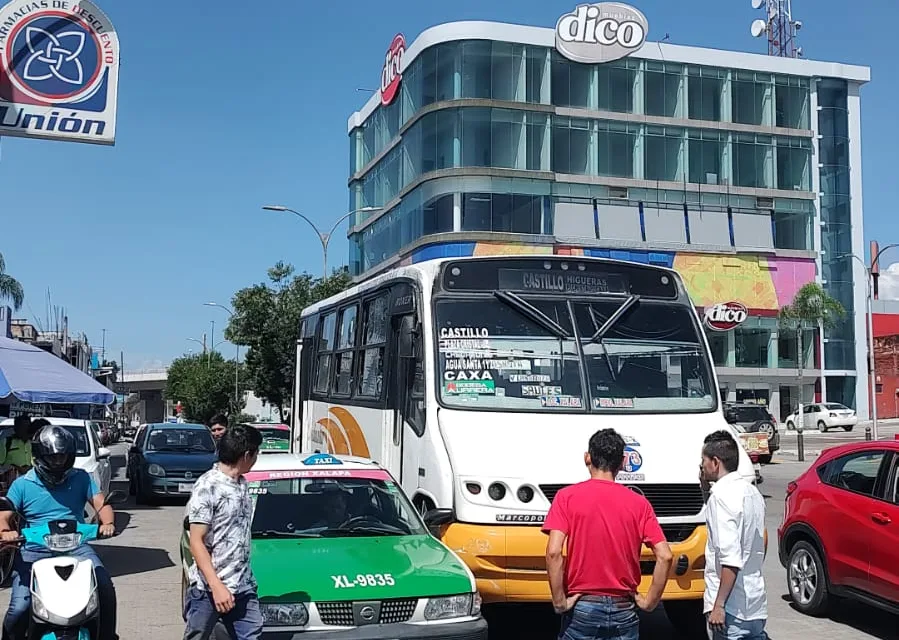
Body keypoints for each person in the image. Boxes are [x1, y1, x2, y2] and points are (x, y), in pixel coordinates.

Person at [543, 428, 673, 640]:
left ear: (587, 457)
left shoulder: (566, 497)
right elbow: (665, 555)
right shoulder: (639, 504)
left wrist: (560, 601)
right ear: (622, 462)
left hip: (583, 605)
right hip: (625, 606)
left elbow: (554, 552)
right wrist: (650, 601)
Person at [0, 425, 118, 640]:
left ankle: (106, 636)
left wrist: (107, 523)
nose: (58, 462)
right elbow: (5, 514)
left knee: (105, 588)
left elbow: (101, 502)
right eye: (53, 458)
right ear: (40, 456)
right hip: (34, 551)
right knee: (20, 607)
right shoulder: (22, 484)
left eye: (62, 457)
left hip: (77, 547)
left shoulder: (81, 478)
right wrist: (5, 531)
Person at [183, 424, 263, 640]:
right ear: (247, 454)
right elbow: (196, 542)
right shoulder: (208, 486)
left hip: (243, 585)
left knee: (252, 635)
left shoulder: (242, 484)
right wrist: (216, 586)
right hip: (209, 589)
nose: (257, 459)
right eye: (256, 453)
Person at [700, 430, 768, 640]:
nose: (701, 466)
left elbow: (730, 559)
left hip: (730, 608)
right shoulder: (752, 493)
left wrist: (718, 605)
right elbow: (760, 540)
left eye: (703, 460)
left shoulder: (720, 498)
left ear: (715, 462)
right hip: (755, 604)